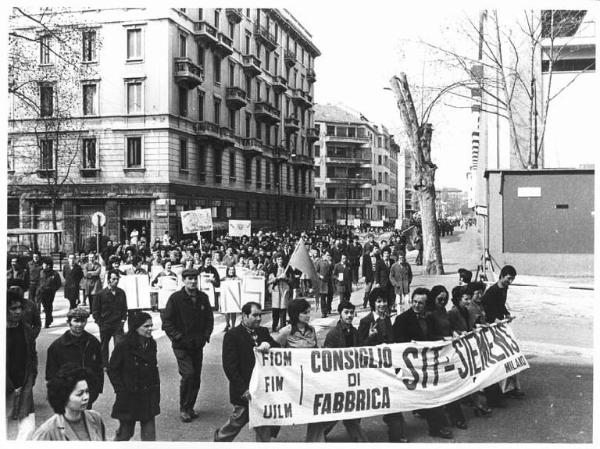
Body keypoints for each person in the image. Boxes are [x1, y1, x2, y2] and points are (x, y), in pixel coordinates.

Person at [214, 302, 280, 442]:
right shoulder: (232, 335)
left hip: (262, 390)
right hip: (245, 391)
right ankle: (219, 440)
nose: (258, 319)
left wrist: (269, 344)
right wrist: (243, 389)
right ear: (244, 316)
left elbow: (277, 348)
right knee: (237, 422)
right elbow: (230, 367)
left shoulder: (263, 332)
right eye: (254, 315)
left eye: (260, 315)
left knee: (263, 426)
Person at [393, 288, 453, 439]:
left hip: (427, 362)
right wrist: (413, 344)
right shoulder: (402, 319)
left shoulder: (429, 317)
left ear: (426, 304)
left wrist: (444, 339)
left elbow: (431, 336)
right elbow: (398, 342)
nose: (417, 305)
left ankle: (436, 426)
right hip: (411, 366)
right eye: (414, 302)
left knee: (433, 391)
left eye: (421, 303)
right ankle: (435, 425)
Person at [307, 302, 368, 442]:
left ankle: (355, 435)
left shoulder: (354, 332)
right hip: (337, 379)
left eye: (352, 312)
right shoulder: (333, 334)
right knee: (334, 410)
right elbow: (327, 359)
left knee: (353, 409)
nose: (349, 315)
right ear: (340, 313)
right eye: (346, 312)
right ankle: (318, 436)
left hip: (351, 378)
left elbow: (361, 350)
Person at [161, 268, 214, 423]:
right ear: (183, 281)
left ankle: (190, 406)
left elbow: (209, 319)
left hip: (197, 345)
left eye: (194, 279)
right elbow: (167, 321)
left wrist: (206, 335)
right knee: (188, 374)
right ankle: (184, 408)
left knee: (196, 377)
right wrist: (178, 337)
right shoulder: (175, 298)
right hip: (181, 346)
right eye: (189, 279)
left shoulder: (203, 297)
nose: (192, 281)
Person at [357, 287, 407, 442]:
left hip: (389, 367)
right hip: (371, 370)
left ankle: (396, 434)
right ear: (373, 303)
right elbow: (359, 348)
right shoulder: (366, 321)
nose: (382, 304)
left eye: (384, 301)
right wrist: (370, 338)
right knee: (359, 404)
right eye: (378, 301)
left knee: (393, 397)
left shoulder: (387, 319)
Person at [108, 311, 160, 441]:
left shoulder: (151, 344)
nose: (150, 329)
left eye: (151, 326)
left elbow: (153, 368)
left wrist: (155, 389)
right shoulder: (123, 345)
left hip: (148, 396)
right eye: (146, 326)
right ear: (136, 327)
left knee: (149, 436)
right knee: (125, 434)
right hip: (129, 397)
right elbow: (112, 369)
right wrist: (120, 390)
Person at [481, 265, 524, 405]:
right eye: (508, 278)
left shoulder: (504, 288)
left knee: (510, 355)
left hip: (501, 326)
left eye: (512, 279)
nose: (510, 282)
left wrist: (506, 313)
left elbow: (501, 304)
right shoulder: (491, 291)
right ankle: (502, 389)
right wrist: (494, 319)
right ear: (502, 276)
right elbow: (487, 308)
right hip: (492, 328)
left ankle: (510, 388)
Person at [46, 307, 103, 409]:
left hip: (87, 392)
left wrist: (96, 389)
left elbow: (99, 367)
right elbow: (51, 374)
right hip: (67, 394)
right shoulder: (57, 346)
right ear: (69, 322)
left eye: (83, 321)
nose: (79, 325)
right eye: (76, 321)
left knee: (85, 420)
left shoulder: (93, 342)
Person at [32, 364, 107, 440]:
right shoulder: (47, 432)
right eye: (79, 394)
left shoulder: (96, 418)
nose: (86, 397)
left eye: (87, 391)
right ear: (64, 396)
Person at [6, 290, 38, 440]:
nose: (18, 311)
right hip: (5, 387)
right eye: (13, 308)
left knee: (29, 428)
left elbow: (33, 355)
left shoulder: (26, 329)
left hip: (24, 384)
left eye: (20, 308)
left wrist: (32, 376)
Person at [92, 269, 128, 368]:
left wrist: (123, 321)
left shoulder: (121, 293)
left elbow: (125, 309)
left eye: (117, 279)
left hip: (118, 325)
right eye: (114, 279)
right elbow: (95, 311)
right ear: (108, 280)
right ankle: (105, 364)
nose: (116, 281)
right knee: (104, 346)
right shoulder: (100, 294)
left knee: (119, 345)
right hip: (105, 325)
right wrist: (100, 323)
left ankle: (118, 363)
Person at [268, 255, 292, 331]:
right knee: (275, 310)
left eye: (281, 259)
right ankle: (274, 326)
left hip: (284, 290)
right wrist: (277, 278)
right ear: (276, 260)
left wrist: (286, 278)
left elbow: (291, 280)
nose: (280, 261)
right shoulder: (273, 268)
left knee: (283, 309)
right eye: (278, 259)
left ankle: (283, 326)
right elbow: (269, 281)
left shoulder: (287, 269)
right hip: (276, 291)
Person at [36, 257, 62, 328]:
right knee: (42, 307)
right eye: (43, 264)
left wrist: (53, 289)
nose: (43, 265)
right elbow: (37, 281)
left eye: (44, 264)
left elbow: (58, 284)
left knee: (48, 307)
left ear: (48, 265)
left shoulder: (55, 274)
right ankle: (48, 319)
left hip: (49, 293)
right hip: (41, 292)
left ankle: (47, 322)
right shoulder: (41, 272)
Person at [315, 250, 333, 317]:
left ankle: (328, 308)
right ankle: (323, 312)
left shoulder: (330, 262)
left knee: (330, 297)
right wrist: (320, 275)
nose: (328, 256)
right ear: (323, 255)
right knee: (323, 298)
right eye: (327, 255)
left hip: (329, 282)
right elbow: (316, 271)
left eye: (329, 255)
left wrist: (330, 264)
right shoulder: (319, 262)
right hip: (322, 282)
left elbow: (334, 271)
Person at [222, 265, 240, 331]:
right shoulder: (224, 278)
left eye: (233, 270)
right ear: (227, 271)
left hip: (234, 297)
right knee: (226, 311)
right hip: (226, 297)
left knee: (233, 311)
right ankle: (227, 324)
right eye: (230, 270)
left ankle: (233, 326)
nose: (231, 271)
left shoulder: (237, 278)